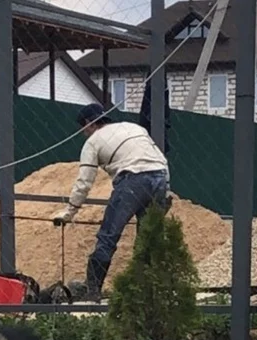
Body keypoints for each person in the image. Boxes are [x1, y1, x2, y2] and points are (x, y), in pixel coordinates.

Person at [52, 103, 170, 301]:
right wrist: (165, 191)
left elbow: (84, 182)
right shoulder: (134, 128)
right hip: (159, 178)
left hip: (132, 180)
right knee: (148, 240)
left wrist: (69, 211)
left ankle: (93, 291)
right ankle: (147, 292)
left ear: (89, 124)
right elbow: (161, 159)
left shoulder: (93, 142)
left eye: (83, 128)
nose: (84, 133)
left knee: (108, 236)